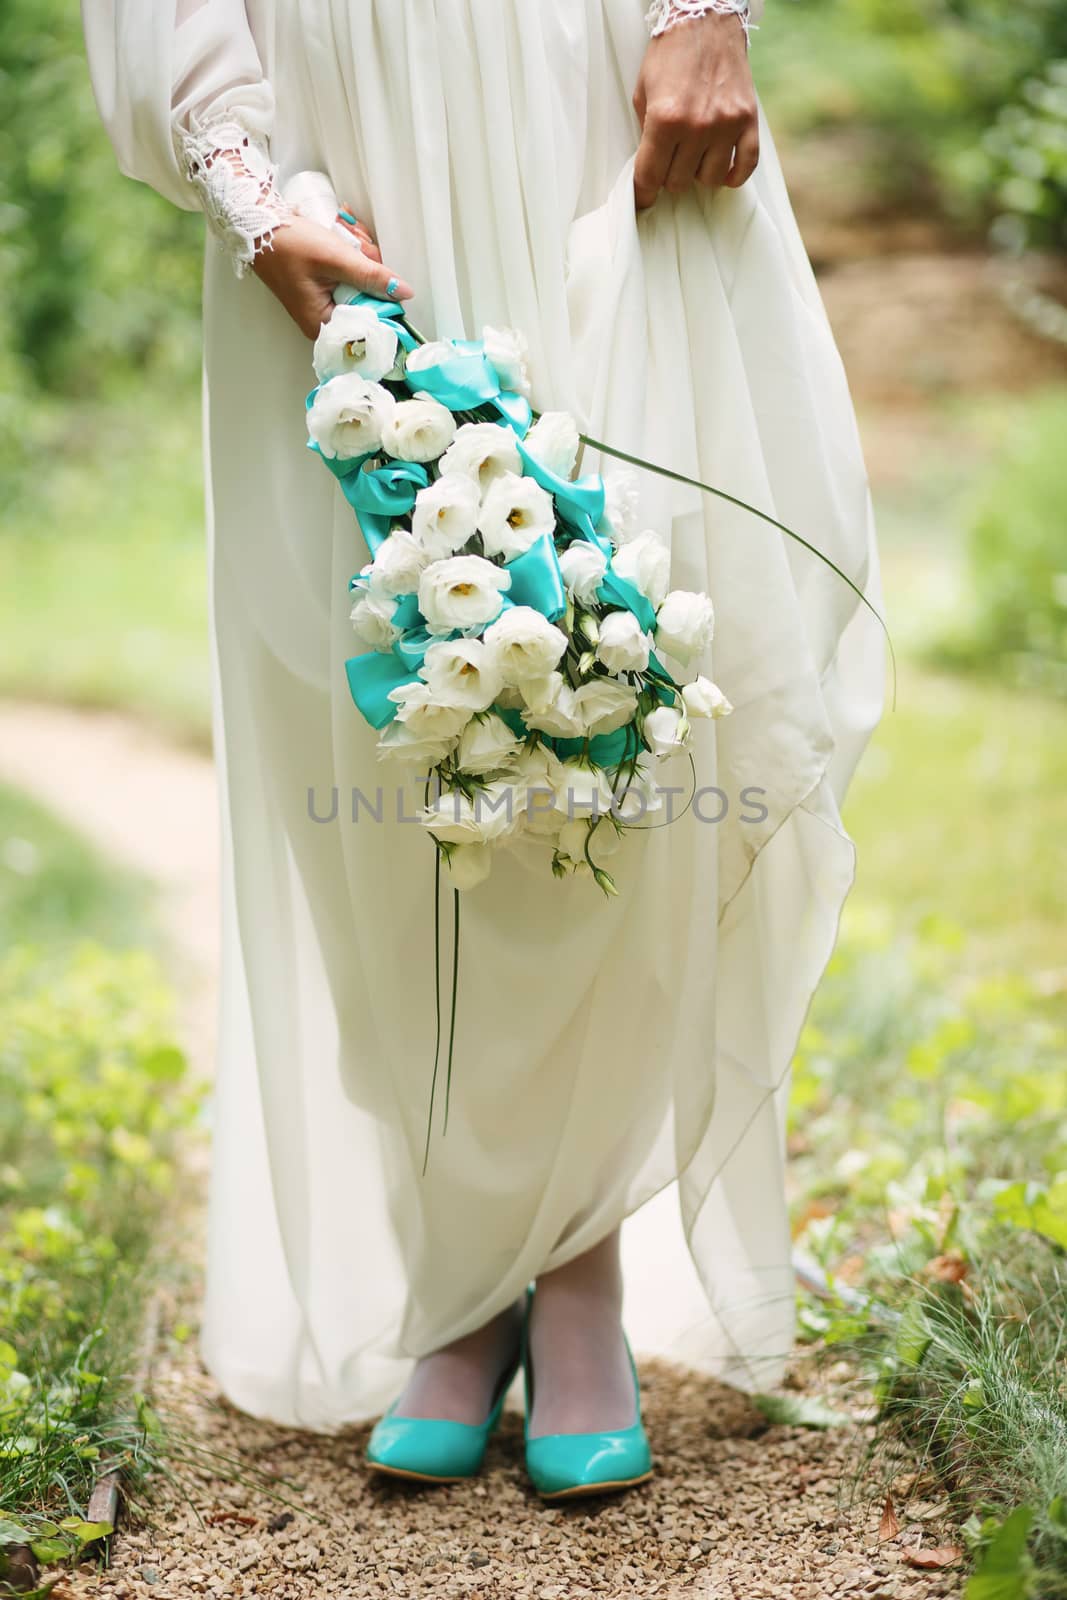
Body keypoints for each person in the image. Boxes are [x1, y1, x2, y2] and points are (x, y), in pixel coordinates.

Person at [82, 0, 884, 1497]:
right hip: (336, 132)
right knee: (391, 706)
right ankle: (457, 1260)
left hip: (576, 95)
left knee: (612, 663)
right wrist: (248, 186)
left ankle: (572, 1272)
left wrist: (706, 14)